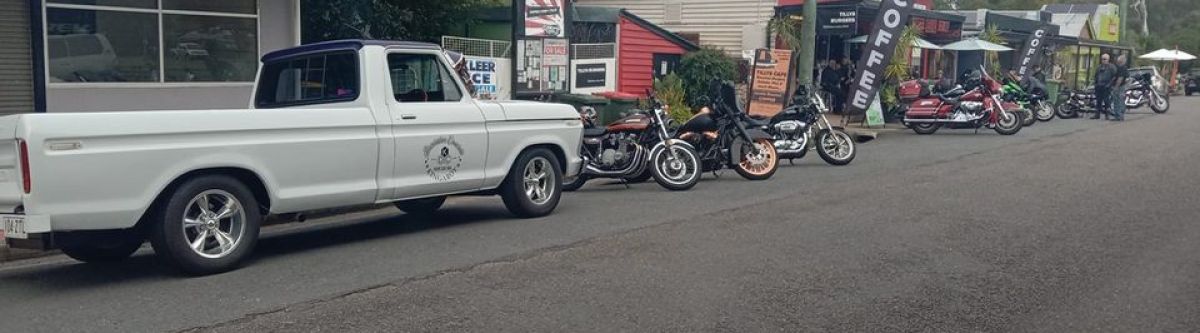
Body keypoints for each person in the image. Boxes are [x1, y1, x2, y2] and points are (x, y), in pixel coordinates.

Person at [1092, 53, 1117, 120]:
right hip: (1099, 86)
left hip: (1107, 87)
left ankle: (1107, 115)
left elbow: (1114, 76)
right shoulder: (1099, 67)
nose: (1103, 60)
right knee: (1098, 101)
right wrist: (1095, 83)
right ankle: (1097, 114)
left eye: (1104, 59)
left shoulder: (1112, 67)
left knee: (1106, 101)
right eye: (1102, 59)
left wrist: (1110, 84)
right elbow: (1096, 76)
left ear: (1108, 59)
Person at [1111, 54, 1129, 121]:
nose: (1117, 60)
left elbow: (1120, 78)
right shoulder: (1123, 68)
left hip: (1119, 87)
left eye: (1119, 59)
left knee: (1118, 101)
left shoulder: (1122, 68)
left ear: (1122, 60)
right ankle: (1120, 115)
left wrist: (1116, 87)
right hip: (1121, 86)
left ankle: (1118, 116)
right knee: (1120, 100)